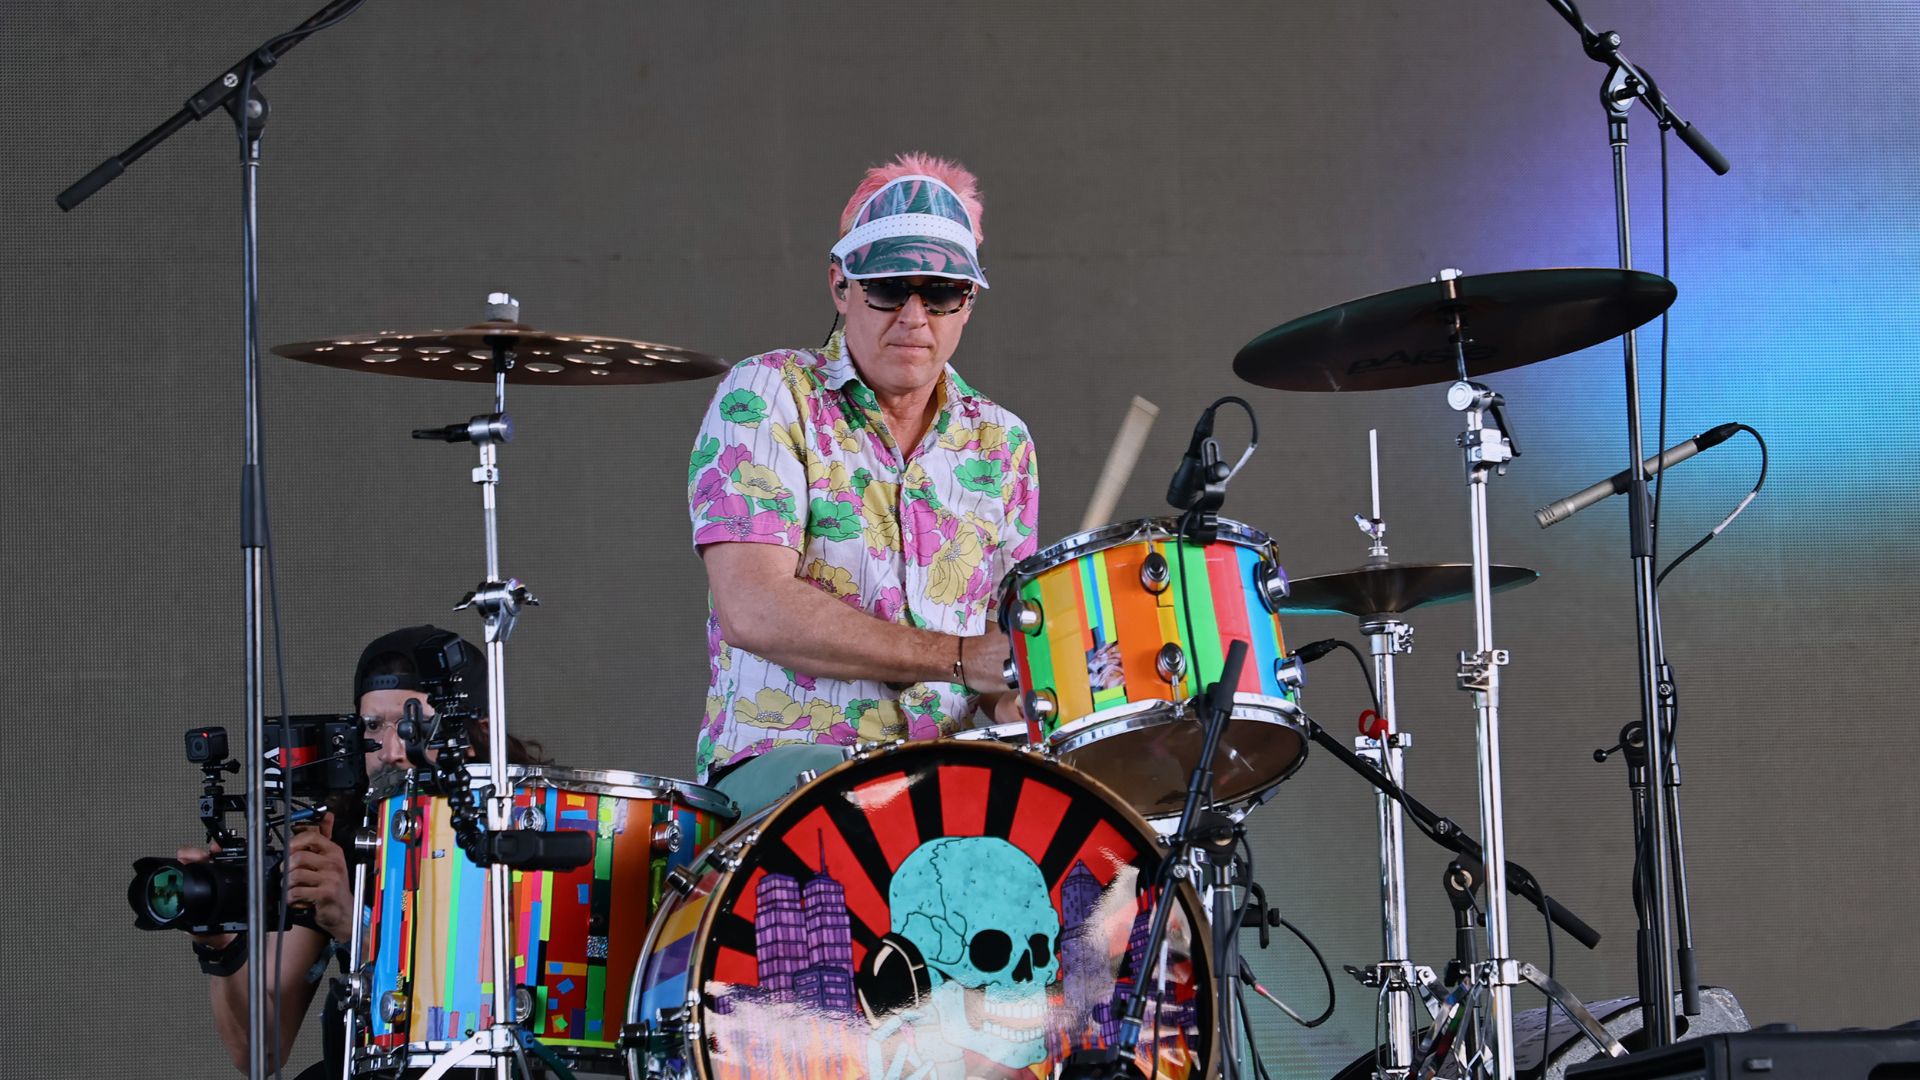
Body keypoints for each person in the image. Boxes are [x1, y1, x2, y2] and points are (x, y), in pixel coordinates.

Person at [688, 153, 1040, 814]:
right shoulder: (769, 393)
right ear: (840, 285)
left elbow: (1000, 661)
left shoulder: (1004, 442)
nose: (914, 316)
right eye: (888, 287)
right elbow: (753, 607)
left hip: (951, 774)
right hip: (789, 766)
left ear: (967, 305)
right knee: (896, 819)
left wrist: (1018, 689)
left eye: (940, 294)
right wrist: (960, 658)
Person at [184, 625, 540, 1077]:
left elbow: (470, 1012)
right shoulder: (339, 840)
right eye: (373, 726)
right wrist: (218, 944)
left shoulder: (526, 836)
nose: (391, 751)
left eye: (416, 726)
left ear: (475, 733)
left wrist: (353, 927)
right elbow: (260, 1050)